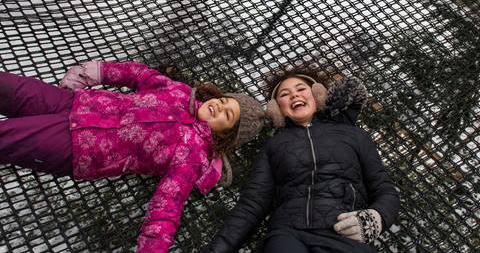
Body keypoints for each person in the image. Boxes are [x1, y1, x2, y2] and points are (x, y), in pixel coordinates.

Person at [0, 60, 265, 253]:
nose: (219, 106)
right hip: (75, 103)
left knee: (6, 137)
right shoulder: (180, 92)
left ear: (225, 136)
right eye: (225, 101)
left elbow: (167, 205)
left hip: (78, 147)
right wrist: (93, 73)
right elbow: (138, 74)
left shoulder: (192, 154)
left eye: (226, 115)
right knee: (10, 88)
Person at [201, 67, 400, 253]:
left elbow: (384, 189)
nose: (294, 95)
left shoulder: (355, 135)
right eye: (284, 95)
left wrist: (376, 218)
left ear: (317, 94)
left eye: (300, 89)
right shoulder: (273, 146)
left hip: (346, 231)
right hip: (288, 234)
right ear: (277, 109)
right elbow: (251, 205)